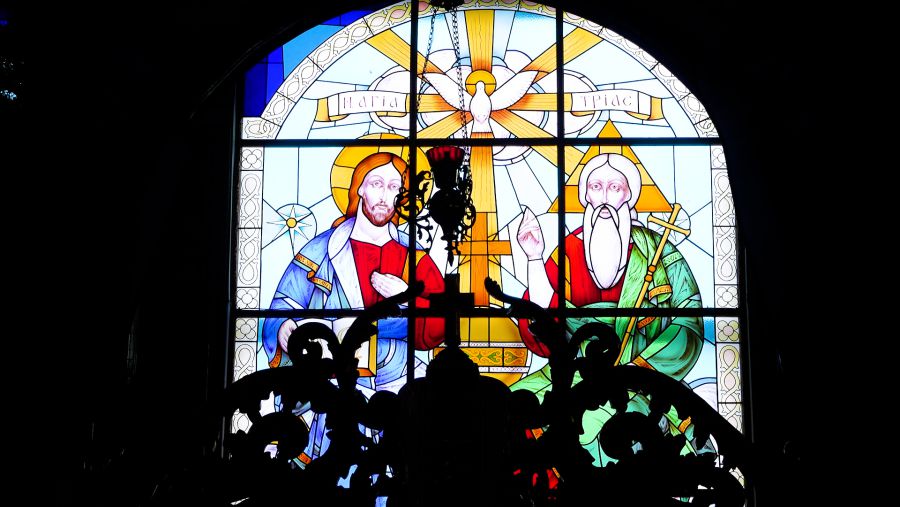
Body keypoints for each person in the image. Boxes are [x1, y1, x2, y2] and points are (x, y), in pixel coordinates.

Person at [513, 153, 703, 465]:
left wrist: (638, 369)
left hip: (644, 379)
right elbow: (542, 328)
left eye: (614, 188)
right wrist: (534, 258)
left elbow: (690, 318)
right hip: (571, 377)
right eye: (596, 187)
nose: (604, 197)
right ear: (585, 196)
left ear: (629, 196)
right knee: (509, 413)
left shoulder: (659, 251)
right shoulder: (567, 252)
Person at [261, 152, 446, 462]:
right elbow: (282, 306)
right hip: (331, 393)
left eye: (394, 187)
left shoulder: (415, 257)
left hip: (397, 392)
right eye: (377, 184)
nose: (385, 196)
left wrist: (410, 299)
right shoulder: (320, 251)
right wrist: (284, 329)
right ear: (359, 187)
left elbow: (441, 325)